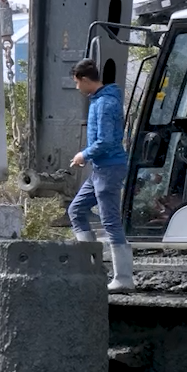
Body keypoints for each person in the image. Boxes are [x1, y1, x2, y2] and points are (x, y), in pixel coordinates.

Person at [68, 60, 135, 292]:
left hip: (108, 168)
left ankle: (124, 278)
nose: (77, 88)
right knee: (76, 210)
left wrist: (83, 155)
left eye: (77, 83)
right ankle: (90, 271)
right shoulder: (100, 100)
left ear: (85, 79)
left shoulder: (105, 103)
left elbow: (106, 140)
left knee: (111, 222)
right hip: (100, 169)